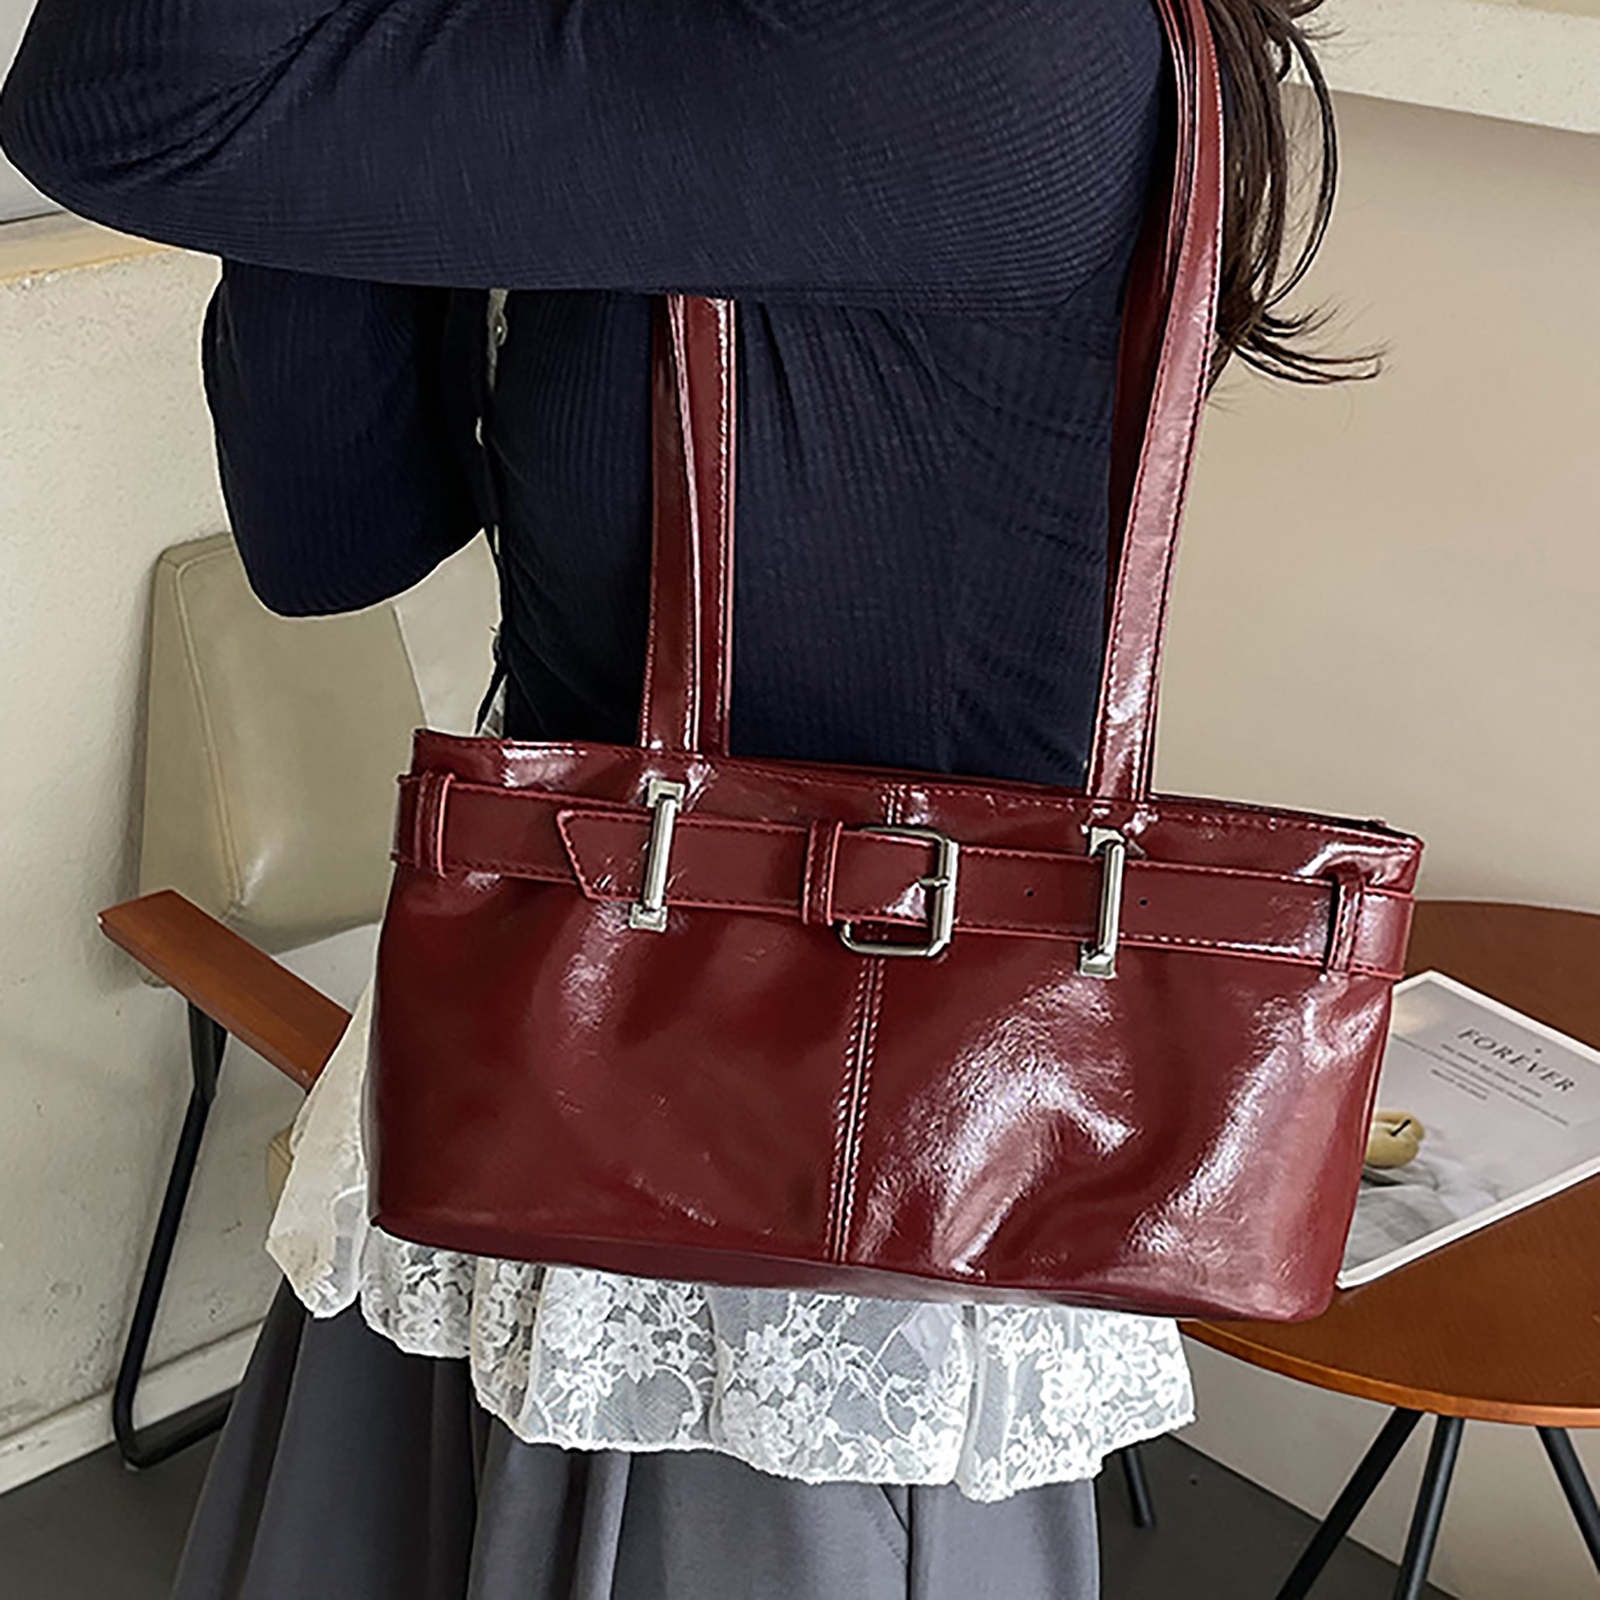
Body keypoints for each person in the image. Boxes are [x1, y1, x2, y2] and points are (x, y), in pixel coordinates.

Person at [0, 2, 1374, 1595]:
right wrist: (316, 150)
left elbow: (125, 99)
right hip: (548, 1063)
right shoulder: (683, 49)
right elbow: (334, 532)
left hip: (813, 1212)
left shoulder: (973, 42)